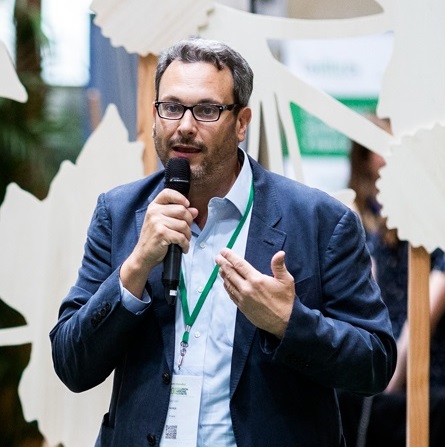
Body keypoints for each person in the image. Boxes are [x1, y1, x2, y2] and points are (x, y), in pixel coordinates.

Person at [49, 37, 396, 447]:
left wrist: (289, 323)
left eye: (207, 110)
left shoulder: (321, 221)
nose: (184, 126)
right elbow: (71, 364)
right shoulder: (120, 213)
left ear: (241, 122)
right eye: (171, 107)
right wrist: (136, 267)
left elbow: (374, 365)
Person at [339, 120, 445, 447]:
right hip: (379, 366)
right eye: (380, 147)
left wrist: (391, 374)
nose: (390, 154)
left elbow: (427, 307)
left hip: (421, 372)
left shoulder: (423, 218)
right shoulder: (359, 216)